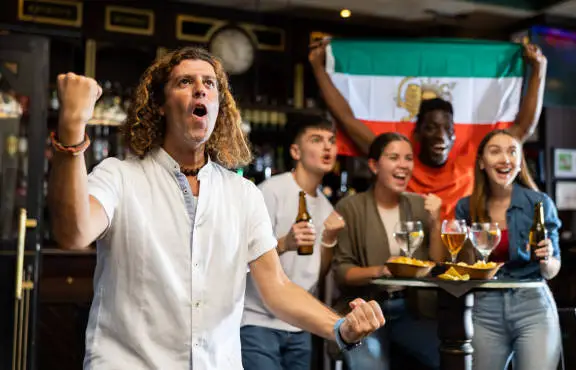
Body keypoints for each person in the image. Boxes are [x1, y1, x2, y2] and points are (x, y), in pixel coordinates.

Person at [47, 47, 385, 370]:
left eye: (209, 84)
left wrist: (340, 327)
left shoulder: (243, 194)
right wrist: (72, 130)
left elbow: (277, 288)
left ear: (219, 106)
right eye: (184, 82)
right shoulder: (119, 176)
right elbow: (73, 233)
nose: (200, 90)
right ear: (161, 105)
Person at [309, 40, 547, 220]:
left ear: (455, 134)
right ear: (418, 133)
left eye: (447, 128)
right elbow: (347, 119)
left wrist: (538, 70)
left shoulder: (469, 163)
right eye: (431, 128)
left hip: (460, 263)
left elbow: (522, 129)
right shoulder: (399, 165)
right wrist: (318, 67)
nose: (440, 135)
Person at [240, 116, 346, 370]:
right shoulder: (270, 191)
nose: (327, 147)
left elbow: (315, 273)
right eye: (317, 140)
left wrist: (329, 242)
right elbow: (242, 254)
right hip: (258, 323)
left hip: (300, 326)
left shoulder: (326, 206)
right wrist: (284, 243)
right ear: (295, 151)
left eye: (331, 141)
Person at [332, 132, 444, 370]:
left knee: (449, 355)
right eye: (394, 157)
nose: (403, 164)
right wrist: (382, 270)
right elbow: (343, 272)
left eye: (408, 158)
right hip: (367, 309)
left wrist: (435, 222)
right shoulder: (350, 207)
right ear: (373, 165)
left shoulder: (419, 204)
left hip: (412, 310)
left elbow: (437, 262)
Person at [452, 129, 562, 370]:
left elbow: (553, 270)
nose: (505, 159)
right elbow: (461, 267)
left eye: (512, 151)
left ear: (520, 161)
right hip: (484, 308)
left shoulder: (540, 203)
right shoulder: (465, 208)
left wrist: (546, 260)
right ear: (481, 162)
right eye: (495, 152)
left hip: (533, 305)